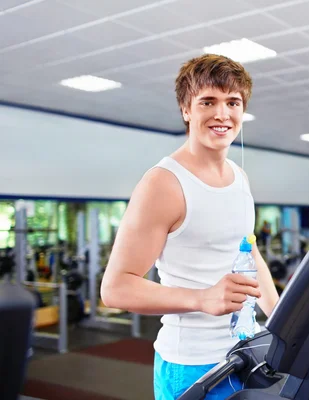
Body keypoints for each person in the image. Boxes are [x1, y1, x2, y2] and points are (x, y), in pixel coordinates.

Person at [100, 54, 279, 400]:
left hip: (247, 355)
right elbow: (115, 288)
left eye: (233, 102)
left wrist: (283, 319)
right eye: (208, 102)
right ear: (186, 109)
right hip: (193, 366)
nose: (222, 114)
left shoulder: (239, 177)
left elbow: (249, 250)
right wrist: (201, 298)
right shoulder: (164, 184)